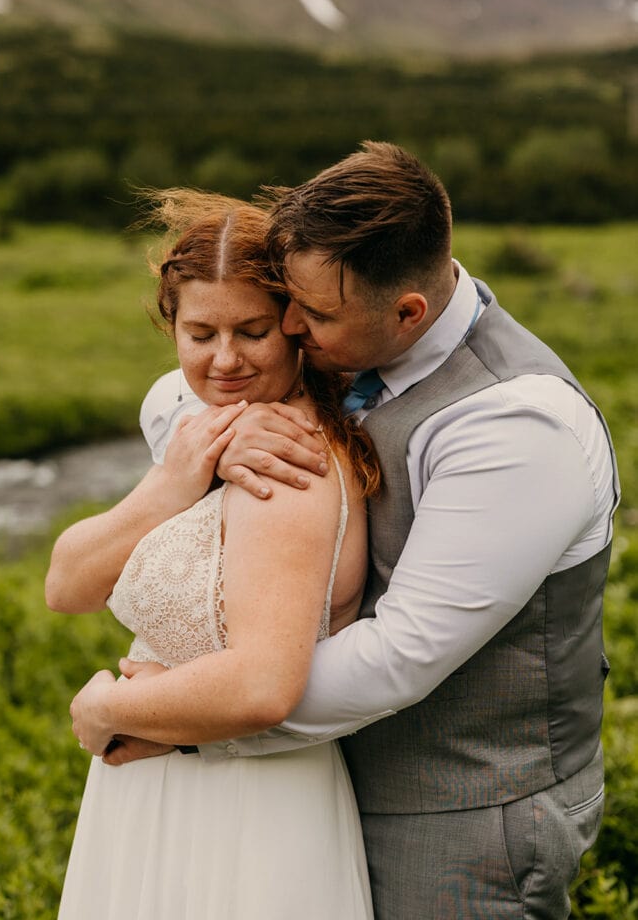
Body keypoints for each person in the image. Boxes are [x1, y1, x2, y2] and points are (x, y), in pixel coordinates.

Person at [68, 143, 619, 920]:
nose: (291, 327)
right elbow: (185, 383)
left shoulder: (516, 427)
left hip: (461, 816)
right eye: (288, 302)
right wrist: (218, 430)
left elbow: (398, 655)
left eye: (314, 314)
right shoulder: (346, 341)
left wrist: (175, 718)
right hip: (324, 780)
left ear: (407, 312)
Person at [46, 191, 379, 919]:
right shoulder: (200, 431)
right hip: (154, 786)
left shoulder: (287, 462)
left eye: (251, 331)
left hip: (245, 803)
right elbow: (66, 584)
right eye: (200, 333)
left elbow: (262, 686)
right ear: (171, 327)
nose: (224, 360)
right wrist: (174, 479)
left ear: (296, 325)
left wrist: (108, 706)